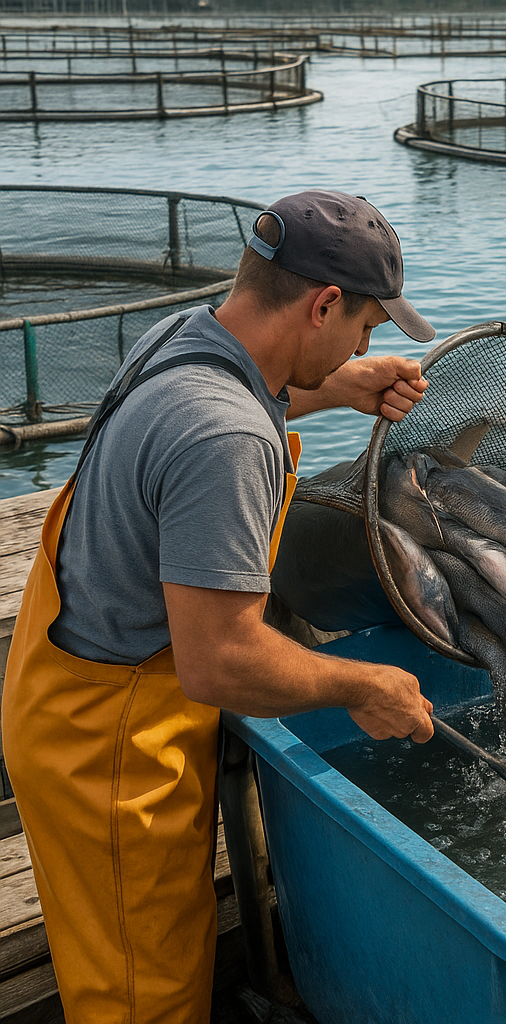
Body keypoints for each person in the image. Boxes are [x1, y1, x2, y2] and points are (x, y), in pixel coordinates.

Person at [1, 189, 437, 1023]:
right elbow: (218, 660)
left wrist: (344, 383)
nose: (367, 343)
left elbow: (256, 389)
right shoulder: (226, 438)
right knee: (143, 993)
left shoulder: (191, 335)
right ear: (324, 304)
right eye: (366, 328)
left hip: (61, 689)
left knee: (120, 959)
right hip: (114, 756)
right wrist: (360, 686)